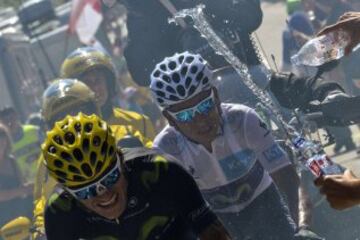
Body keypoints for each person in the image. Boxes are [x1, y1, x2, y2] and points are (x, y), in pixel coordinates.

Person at [150, 52, 324, 239]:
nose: (200, 121)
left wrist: (304, 227)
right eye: (185, 115)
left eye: (205, 105)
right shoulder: (165, 149)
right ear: (170, 119)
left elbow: (290, 183)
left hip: (266, 208)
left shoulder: (243, 120)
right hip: (215, 223)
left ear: (216, 96)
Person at [101, 0, 346, 112]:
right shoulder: (142, 17)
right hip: (203, 113)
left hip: (257, 84)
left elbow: (252, 15)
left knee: (305, 100)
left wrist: (207, 9)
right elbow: (142, 74)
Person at [42, 113, 231, 240]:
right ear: (69, 193)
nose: (105, 195)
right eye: (86, 191)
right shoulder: (60, 211)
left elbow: (212, 231)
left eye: (110, 178)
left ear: (122, 161)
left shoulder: (161, 171)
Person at [32, 79, 152, 238]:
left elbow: (158, 164)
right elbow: (43, 203)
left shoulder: (125, 132)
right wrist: (41, 233)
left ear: (95, 109)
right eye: (61, 117)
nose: (73, 119)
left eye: (79, 111)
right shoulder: (48, 160)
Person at [60, 47, 157, 140]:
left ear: (108, 83)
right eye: (87, 83)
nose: (95, 88)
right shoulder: (68, 139)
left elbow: (157, 156)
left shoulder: (139, 123)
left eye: (98, 80)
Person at [0, 123, 33, 227]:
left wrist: (33, 186)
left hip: (23, 215)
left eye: (2, 134)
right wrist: (23, 190)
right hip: (4, 222)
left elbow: (22, 183)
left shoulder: (12, 160)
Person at [0, 107, 41, 183]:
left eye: (11, 118)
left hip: (49, 177)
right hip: (28, 186)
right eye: (6, 121)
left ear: (17, 116)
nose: (9, 123)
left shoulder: (34, 130)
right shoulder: (3, 144)